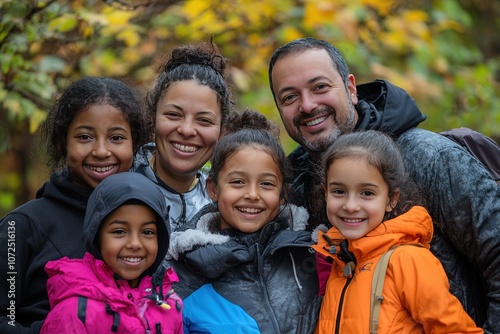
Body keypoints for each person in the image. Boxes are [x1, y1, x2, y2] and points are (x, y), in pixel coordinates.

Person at [268, 37, 500, 332]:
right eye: (289, 97)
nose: (308, 104)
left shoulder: (427, 156)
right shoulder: (295, 190)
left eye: (320, 87)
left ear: (350, 89)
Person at [0, 76, 148, 333]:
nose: (101, 150)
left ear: (134, 144)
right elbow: (5, 318)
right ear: (62, 142)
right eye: (85, 137)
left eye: (116, 137)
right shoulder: (20, 227)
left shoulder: (148, 222)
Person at [167, 109, 321, 333]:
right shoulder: (182, 270)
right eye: (238, 182)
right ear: (213, 189)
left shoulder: (309, 253)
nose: (252, 194)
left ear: (282, 194)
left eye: (266, 184)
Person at [312, 130, 482, 333]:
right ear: (325, 193)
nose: (350, 205)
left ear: (391, 199)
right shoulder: (337, 261)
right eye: (339, 191)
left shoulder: (408, 260)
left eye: (367, 193)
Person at [40, 172, 183, 333]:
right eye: (120, 231)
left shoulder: (169, 305)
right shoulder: (74, 313)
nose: (135, 244)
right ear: (96, 236)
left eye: (147, 232)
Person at [133, 40, 234, 231]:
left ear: (220, 132)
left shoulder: (224, 205)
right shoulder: (120, 184)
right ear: (152, 119)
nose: (187, 130)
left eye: (204, 120)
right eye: (173, 115)